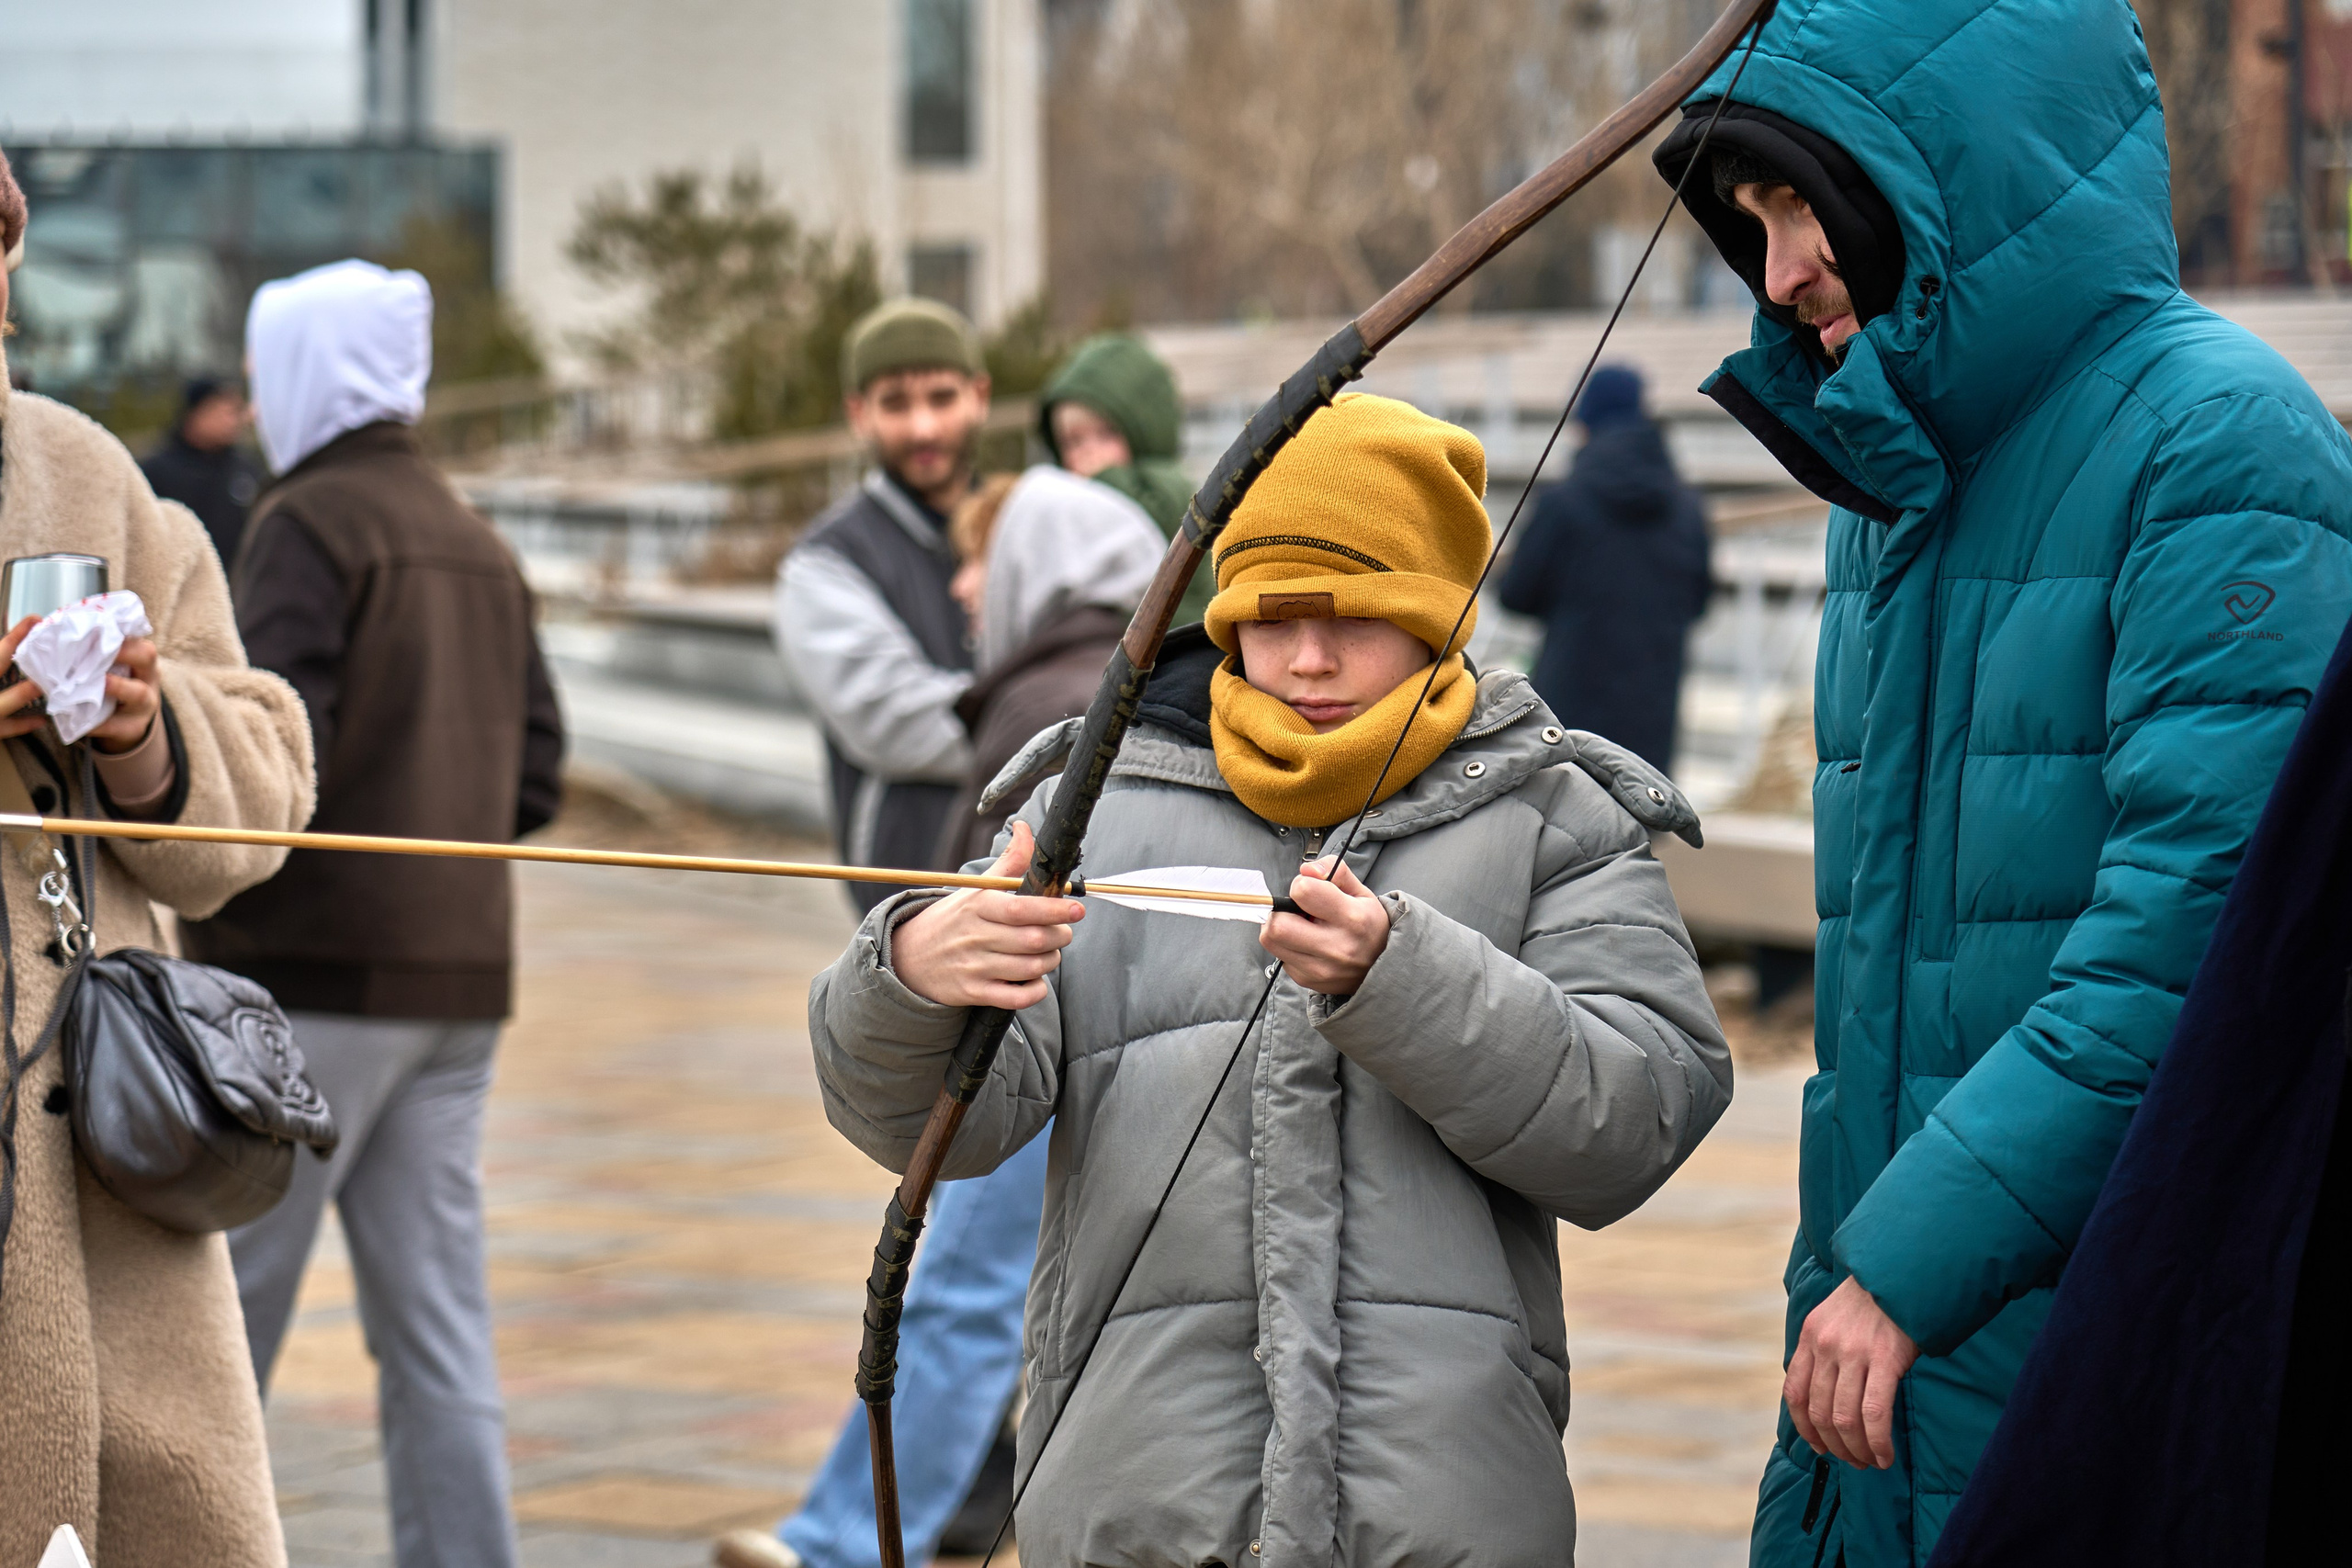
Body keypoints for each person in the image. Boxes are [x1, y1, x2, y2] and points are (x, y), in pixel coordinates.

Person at [1645, 2, 2352, 1562]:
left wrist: (1908, 1263)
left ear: (1954, 166)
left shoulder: (2224, 443)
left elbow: (2198, 934)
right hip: (1881, 1350)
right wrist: (1867, 1281)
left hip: (2100, 1338)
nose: (1778, 276)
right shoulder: (1887, 485)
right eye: (1748, 222)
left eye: (1800, 205)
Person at [807, 392, 1732, 1565]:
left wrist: (1406, 980)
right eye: (1272, 616)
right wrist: (914, 976)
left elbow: (1642, 1113)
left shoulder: (1556, 815)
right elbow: (941, 1123)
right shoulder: (1093, 803)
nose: (1305, 659)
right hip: (1139, 1502)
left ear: (1438, 615)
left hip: (1439, 1514)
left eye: (1354, 617)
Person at [183, 258, 566, 1568]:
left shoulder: (305, 522)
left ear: (302, 370)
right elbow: (537, 770)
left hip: (309, 982)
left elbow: (274, 759)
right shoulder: (476, 534)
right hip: (456, 986)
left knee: (214, 1323)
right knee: (439, 1331)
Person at [715, 469, 1164, 1568]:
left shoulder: (1047, 696)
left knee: (961, 1291)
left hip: (1045, 1032)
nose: (964, 586)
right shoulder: (1108, 674)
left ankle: (844, 1546)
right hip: (1114, 1035)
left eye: (984, 557)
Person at [0, 146, 317, 1568]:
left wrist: (144, 728)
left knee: (134, 1503)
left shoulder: (84, 474)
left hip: (92, 1182)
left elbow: (264, 786)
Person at [775, 299, 990, 911]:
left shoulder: (1029, 527)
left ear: (981, 395)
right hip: (908, 901)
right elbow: (896, 721)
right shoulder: (824, 563)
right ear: (857, 413)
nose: (923, 427)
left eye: (942, 398)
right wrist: (1060, 732)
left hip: (1044, 890)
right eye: (896, 403)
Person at [1497, 363, 1710, 775]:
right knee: (1636, 831)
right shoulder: (1687, 507)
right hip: (1652, 717)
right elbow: (1698, 603)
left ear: (1585, 423)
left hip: (1568, 717)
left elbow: (1516, 594)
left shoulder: (1566, 499)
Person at [1035, 333, 1210, 621]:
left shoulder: (1165, 482)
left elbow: (1156, 518)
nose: (1089, 453)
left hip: (1181, 631)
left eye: (1106, 435)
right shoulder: (1073, 495)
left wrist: (1108, 479)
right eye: (1073, 441)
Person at [139, 374, 266, 568]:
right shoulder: (155, 471)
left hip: (235, 590)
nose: (232, 421)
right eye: (224, 412)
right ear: (196, 413)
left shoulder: (247, 470)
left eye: (235, 412)